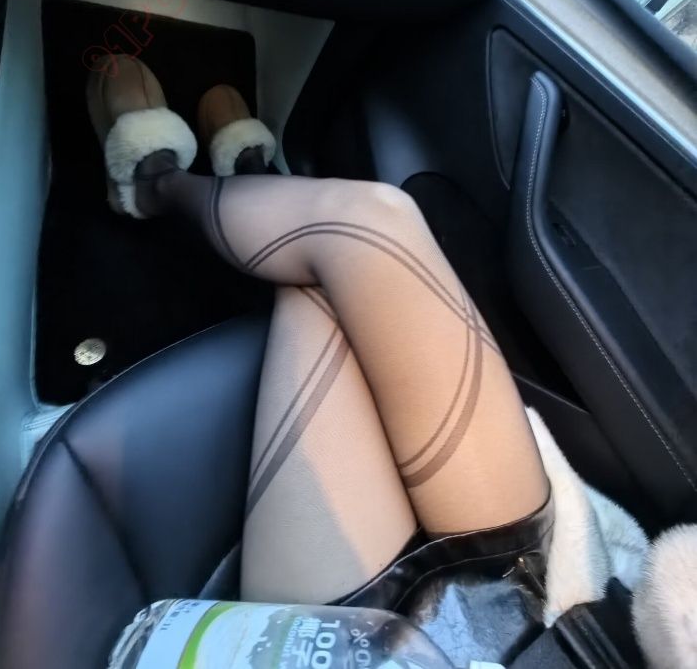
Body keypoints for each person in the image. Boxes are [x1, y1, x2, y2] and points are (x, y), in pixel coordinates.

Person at [88, 56, 648, 666]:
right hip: (544, 616)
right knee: (379, 217)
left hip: (358, 650)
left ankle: (159, 185)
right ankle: (243, 178)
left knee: (319, 275)